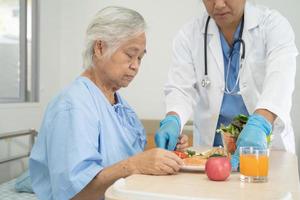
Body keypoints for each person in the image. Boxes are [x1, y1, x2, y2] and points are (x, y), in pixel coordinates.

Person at [29, 6, 188, 200]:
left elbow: (126, 158)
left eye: (140, 58)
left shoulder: (122, 108)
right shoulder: (73, 106)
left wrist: (164, 155)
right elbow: (73, 193)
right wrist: (135, 165)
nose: (136, 66)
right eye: (130, 55)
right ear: (100, 47)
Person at [155, 0, 298, 170]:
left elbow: (280, 77)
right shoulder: (189, 34)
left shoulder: (273, 25)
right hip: (212, 155)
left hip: (264, 147)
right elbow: (180, 88)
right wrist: (173, 119)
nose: (219, 5)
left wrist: (261, 123)